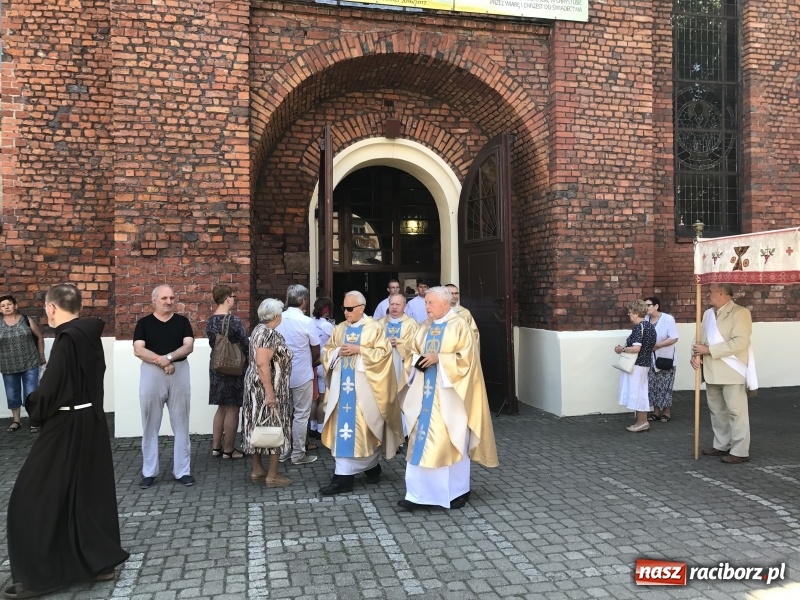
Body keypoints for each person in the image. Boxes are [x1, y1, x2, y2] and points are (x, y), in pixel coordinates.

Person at [4, 284, 129, 599]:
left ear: (50, 308)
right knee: (86, 492)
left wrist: (35, 407)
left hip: (66, 424)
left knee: (30, 496)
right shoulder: (89, 335)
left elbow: (50, 389)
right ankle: (99, 563)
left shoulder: (65, 340)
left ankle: (40, 577)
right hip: (91, 422)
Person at [397, 286, 498, 511]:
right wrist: (417, 360)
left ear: (445, 303)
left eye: (431, 303)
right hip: (425, 396)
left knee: (451, 440)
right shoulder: (423, 327)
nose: (427, 307)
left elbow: (467, 360)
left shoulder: (460, 326)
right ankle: (417, 494)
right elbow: (410, 353)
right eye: (426, 303)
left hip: (451, 397)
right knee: (420, 441)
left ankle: (457, 491)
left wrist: (440, 359)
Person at [319, 291, 403, 495]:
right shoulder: (339, 329)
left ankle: (370, 466)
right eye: (344, 309)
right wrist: (337, 352)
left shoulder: (374, 328)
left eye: (350, 309)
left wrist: (360, 350)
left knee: (365, 430)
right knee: (344, 431)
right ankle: (344, 477)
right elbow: (327, 351)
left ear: (362, 308)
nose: (346, 313)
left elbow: (384, 355)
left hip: (365, 391)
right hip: (342, 391)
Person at [133, 284, 195, 489]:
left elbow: (188, 346)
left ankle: (182, 471)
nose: (169, 302)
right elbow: (138, 350)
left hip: (179, 372)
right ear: (154, 300)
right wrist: (163, 362)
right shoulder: (144, 323)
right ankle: (149, 472)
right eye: (164, 298)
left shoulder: (182, 322)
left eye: (171, 297)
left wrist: (168, 358)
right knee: (150, 425)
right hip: (152, 373)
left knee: (181, 424)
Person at [691, 283, 756, 464]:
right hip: (711, 370)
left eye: (710, 292)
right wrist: (695, 355)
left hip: (732, 370)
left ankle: (740, 451)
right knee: (717, 411)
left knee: (736, 412)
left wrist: (709, 350)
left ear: (721, 293)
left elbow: (740, 342)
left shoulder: (740, 313)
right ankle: (721, 444)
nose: (707, 295)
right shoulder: (707, 314)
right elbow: (698, 339)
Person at [242, 299, 294, 488]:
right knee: (276, 426)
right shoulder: (269, 334)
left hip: (255, 387)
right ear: (276, 316)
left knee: (257, 424)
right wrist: (270, 393)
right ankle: (272, 475)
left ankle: (257, 469)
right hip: (269, 387)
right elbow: (263, 364)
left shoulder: (257, 330)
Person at [275, 284, 321, 465]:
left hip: (281, 373)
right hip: (302, 372)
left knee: (283, 414)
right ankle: (298, 454)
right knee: (301, 415)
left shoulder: (278, 318)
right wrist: (312, 361)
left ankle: (282, 451)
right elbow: (316, 349)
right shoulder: (306, 321)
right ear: (303, 301)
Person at [206, 285, 249, 459]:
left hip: (217, 366)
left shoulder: (210, 320)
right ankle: (229, 450)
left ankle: (216, 448)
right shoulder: (234, 321)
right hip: (234, 367)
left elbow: (212, 344)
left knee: (221, 407)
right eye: (233, 296)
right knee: (233, 408)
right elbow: (245, 344)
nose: (234, 299)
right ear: (226, 299)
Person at [1, 294, 46, 433]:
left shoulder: (26, 320)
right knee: (12, 394)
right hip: (8, 365)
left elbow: (39, 337)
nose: (6, 307)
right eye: (2, 306)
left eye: (9, 304)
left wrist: (41, 355)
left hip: (30, 363)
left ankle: (34, 420)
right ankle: (16, 421)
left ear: (15, 305)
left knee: (31, 393)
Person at [376, 293, 418, 438]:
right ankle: (386, 432)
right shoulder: (380, 323)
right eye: (392, 304)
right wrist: (385, 342)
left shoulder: (412, 324)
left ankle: (402, 433)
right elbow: (372, 344)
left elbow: (416, 346)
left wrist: (399, 342)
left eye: (397, 304)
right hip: (384, 367)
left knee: (401, 397)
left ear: (404, 306)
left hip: (402, 366)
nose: (394, 307)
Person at [614, 299, 657, 433]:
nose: (629, 315)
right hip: (645, 363)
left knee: (637, 392)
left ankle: (642, 422)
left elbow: (636, 348)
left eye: (630, 312)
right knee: (641, 392)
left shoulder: (639, 327)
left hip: (637, 364)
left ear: (636, 312)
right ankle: (641, 421)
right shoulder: (650, 327)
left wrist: (622, 349)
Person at [644, 297, 679, 423]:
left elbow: (674, 338)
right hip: (650, 360)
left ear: (656, 306)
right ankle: (656, 412)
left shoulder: (667, 319)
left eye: (648, 305)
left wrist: (658, 345)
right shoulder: (646, 319)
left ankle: (666, 412)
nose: (646, 308)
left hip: (665, 358)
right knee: (653, 385)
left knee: (665, 386)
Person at [311, 297, 334, 439]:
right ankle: (320, 429)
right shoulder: (327, 326)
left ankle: (312, 426)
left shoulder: (310, 322)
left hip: (312, 364)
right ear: (326, 310)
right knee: (323, 399)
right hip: (323, 364)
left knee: (314, 399)